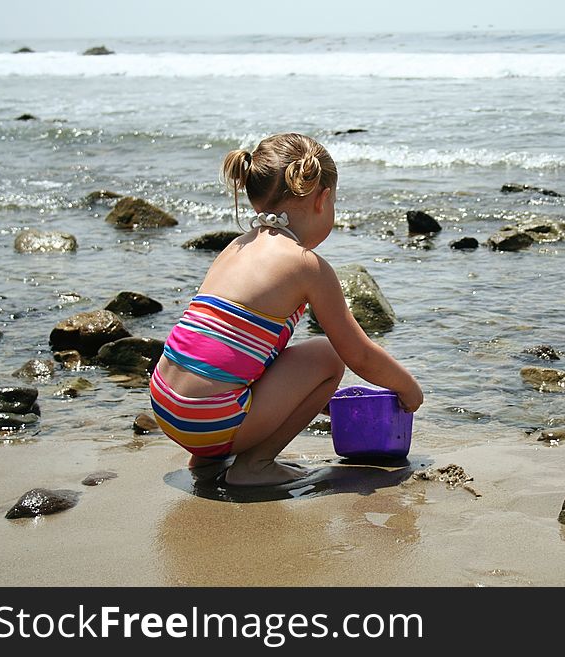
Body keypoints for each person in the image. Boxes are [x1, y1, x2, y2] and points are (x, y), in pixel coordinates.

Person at [149, 133, 423, 486]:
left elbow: (231, 350)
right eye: (335, 202)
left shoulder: (236, 247)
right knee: (328, 357)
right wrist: (407, 387)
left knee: (235, 357)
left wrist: (303, 397)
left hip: (167, 405)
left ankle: (205, 460)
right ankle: (255, 464)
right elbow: (359, 355)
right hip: (210, 421)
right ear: (322, 200)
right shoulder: (307, 266)